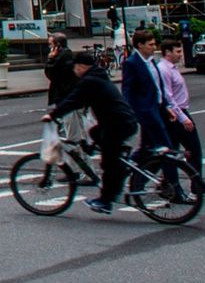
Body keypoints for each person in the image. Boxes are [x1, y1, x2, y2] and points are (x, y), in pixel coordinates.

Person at [43, 50, 140, 215]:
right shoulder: (98, 76)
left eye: (75, 67)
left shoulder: (89, 81)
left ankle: (106, 200)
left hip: (117, 125)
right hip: (122, 121)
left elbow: (74, 100)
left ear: (81, 66)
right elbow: (82, 100)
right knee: (95, 133)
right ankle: (115, 158)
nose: (74, 70)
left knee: (108, 163)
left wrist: (53, 115)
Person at [120, 30, 177, 194]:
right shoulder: (132, 63)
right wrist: (131, 113)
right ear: (140, 45)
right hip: (147, 113)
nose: (154, 47)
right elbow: (127, 92)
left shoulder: (151, 61)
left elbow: (157, 87)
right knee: (166, 150)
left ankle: (127, 175)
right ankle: (175, 189)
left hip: (157, 109)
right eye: (150, 44)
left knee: (147, 150)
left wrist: (166, 106)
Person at [158, 40, 205, 199]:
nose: (180, 54)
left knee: (173, 152)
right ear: (167, 52)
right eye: (177, 51)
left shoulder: (171, 68)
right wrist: (183, 118)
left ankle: (173, 185)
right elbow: (168, 97)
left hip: (178, 113)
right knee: (192, 150)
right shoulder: (164, 70)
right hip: (175, 114)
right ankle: (194, 187)